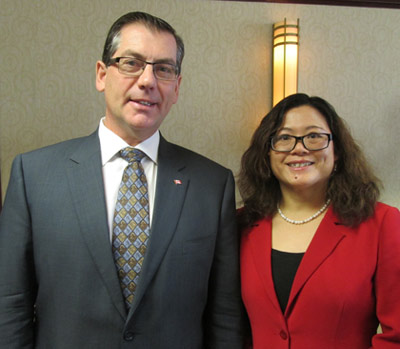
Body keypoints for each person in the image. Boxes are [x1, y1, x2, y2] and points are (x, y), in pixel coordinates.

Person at [0, 11, 244, 348]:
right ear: (101, 75)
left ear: (176, 87)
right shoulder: (34, 175)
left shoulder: (212, 185)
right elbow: (10, 302)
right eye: (131, 63)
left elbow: (225, 314)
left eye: (163, 69)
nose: (147, 81)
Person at [238, 93, 400, 348]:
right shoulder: (241, 225)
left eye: (314, 136)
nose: (299, 147)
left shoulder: (382, 224)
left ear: (337, 153)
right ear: (267, 155)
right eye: (284, 137)